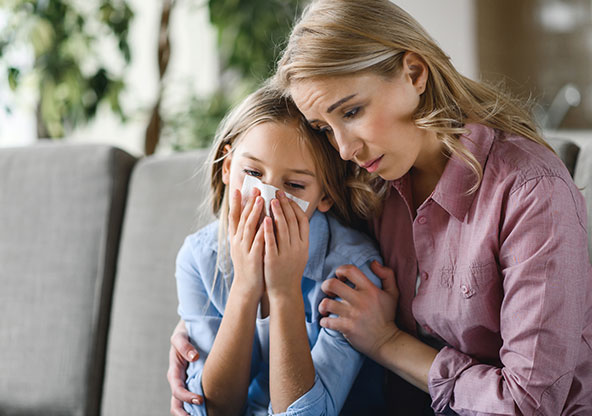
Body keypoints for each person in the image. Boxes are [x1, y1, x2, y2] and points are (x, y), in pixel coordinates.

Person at [170, 0, 592, 414]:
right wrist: (196, 334)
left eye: (352, 111)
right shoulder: (369, 182)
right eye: (324, 128)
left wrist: (387, 342)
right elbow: (298, 250)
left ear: (414, 73)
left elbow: (528, 405)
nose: (345, 148)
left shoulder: (531, 192)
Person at [173, 83, 388, 416]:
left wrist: (284, 291)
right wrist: (245, 287)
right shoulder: (199, 258)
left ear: (325, 196)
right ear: (228, 167)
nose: (267, 197)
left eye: (294, 185)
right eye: (253, 173)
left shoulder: (352, 271)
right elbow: (211, 409)